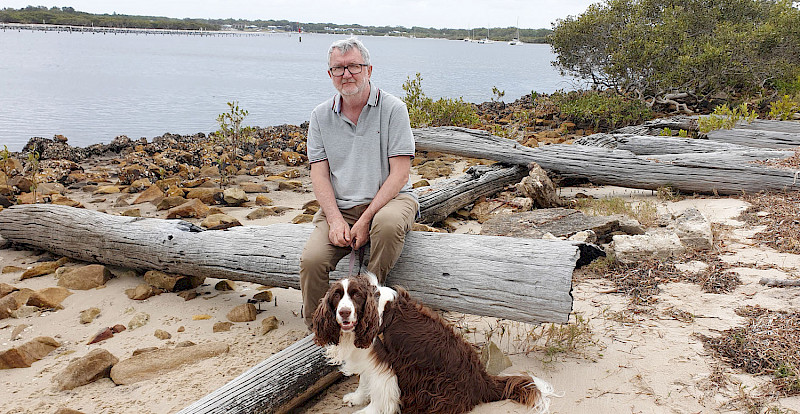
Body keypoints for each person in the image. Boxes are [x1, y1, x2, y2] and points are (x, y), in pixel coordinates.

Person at [300, 37, 418, 329]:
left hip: (392, 199)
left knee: (387, 225)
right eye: (338, 69)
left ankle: (370, 310)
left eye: (354, 66)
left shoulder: (393, 109)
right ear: (330, 74)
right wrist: (336, 219)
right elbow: (319, 175)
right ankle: (319, 330)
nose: (346, 74)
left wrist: (365, 219)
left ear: (369, 69)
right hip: (341, 206)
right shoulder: (319, 116)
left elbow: (400, 174)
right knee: (312, 260)